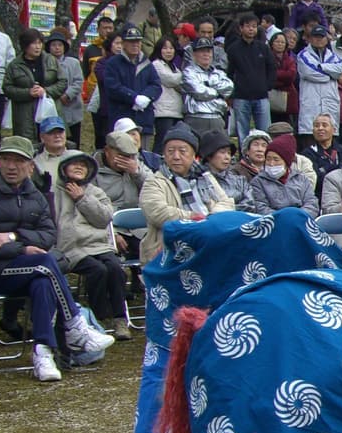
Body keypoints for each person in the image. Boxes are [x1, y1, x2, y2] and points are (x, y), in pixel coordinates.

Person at [0, 136, 114, 381]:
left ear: (30, 166)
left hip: (32, 269)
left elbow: (48, 235)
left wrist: (13, 237)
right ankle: (74, 324)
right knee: (46, 264)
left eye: (19, 161)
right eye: (7, 160)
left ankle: (43, 354)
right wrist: (22, 250)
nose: (12, 166)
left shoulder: (36, 195)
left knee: (43, 280)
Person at [51, 149, 131, 340]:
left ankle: (120, 319)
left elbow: (104, 219)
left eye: (84, 164)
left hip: (99, 246)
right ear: (64, 168)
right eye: (74, 163)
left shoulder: (96, 192)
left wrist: (82, 199)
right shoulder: (54, 192)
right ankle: (99, 317)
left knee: (115, 269)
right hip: (70, 249)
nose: (79, 167)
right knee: (98, 270)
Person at [138, 123, 235, 264]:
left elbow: (226, 202)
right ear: (164, 155)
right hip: (168, 246)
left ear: (194, 155)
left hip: (207, 237)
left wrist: (211, 218)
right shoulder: (155, 181)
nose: (176, 156)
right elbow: (157, 212)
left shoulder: (204, 176)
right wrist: (191, 217)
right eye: (170, 151)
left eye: (182, 151)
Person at [2, 28, 67, 142]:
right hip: (25, 114)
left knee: (52, 141)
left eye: (39, 43)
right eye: (33, 43)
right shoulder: (15, 65)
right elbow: (7, 88)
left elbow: (63, 82)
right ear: (25, 45)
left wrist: (46, 91)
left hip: (49, 109)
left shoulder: (50, 60)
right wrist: (28, 93)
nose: (37, 47)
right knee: (28, 144)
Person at [225, 12, 276, 150]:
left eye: (254, 26)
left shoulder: (263, 48)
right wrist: (231, 93)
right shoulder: (233, 49)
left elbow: (272, 67)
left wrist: (268, 85)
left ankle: (265, 156)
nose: (251, 29)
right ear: (241, 28)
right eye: (247, 26)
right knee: (243, 132)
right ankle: (244, 157)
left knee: (265, 131)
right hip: (241, 96)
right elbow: (229, 72)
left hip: (261, 95)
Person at [247, 133, 319, 217]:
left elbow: (311, 204)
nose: (271, 164)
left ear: (287, 162)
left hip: (301, 220)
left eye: (276, 160)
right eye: (268, 159)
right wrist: (283, 218)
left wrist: (298, 216)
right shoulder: (258, 182)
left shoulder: (301, 179)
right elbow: (260, 207)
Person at [295, 25, 342, 141]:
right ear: (310, 38)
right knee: (310, 143)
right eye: (316, 37)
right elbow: (308, 73)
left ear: (326, 39)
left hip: (329, 104)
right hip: (310, 106)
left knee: (330, 143)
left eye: (321, 37)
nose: (319, 39)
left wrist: (320, 67)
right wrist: (329, 75)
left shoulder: (335, 58)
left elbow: (338, 70)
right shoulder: (303, 55)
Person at [179, 37, 233, 135]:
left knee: (219, 149)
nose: (206, 54)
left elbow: (229, 88)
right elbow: (199, 92)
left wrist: (207, 85)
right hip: (196, 118)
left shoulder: (219, 73)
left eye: (208, 51)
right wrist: (218, 93)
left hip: (217, 117)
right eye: (202, 51)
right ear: (194, 54)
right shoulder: (188, 72)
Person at [44, 33, 84, 145]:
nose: (57, 48)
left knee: (73, 140)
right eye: (54, 45)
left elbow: (79, 81)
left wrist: (68, 94)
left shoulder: (73, 62)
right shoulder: (44, 63)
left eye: (60, 45)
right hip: (52, 104)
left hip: (72, 106)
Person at [302, 112, 342, 197]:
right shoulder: (307, 153)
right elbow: (316, 179)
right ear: (313, 131)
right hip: (320, 195)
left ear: (334, 130)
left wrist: (324, 169)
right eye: (316, 126)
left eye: (324, 125)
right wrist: (336, 168)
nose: (320, 128)